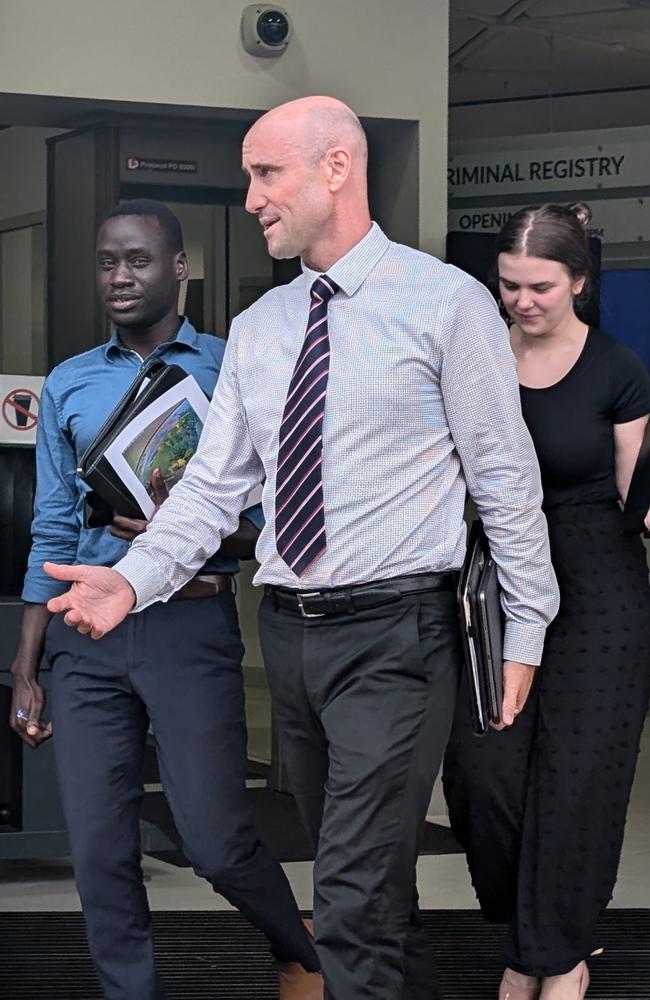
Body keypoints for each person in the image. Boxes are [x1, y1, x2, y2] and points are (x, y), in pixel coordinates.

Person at [43, 98, 559, 1000]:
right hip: (291, 635)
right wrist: (130, 584)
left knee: (349, 901)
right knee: (375, 893)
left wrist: (526, 629)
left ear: (336, 170)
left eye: (265, 173)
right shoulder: (265, 325)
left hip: (399, 638)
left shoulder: (445, 304)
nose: (249, 198)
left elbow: (507, 481)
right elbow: (212, 487)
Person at [9, 198, 319, 1000]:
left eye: (139, 260)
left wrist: (188, 531)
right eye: (108, 261)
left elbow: (279, 522)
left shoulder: (232, 364)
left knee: (216, 842)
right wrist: (26, 665)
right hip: (84, 633)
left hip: (190, 625)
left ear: (181, 268)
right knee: (100, 851)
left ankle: (304, 951)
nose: (120, 276)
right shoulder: (70, 382)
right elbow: (50, 531)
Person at [443, 203, 650, 1000]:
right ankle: (539, 934)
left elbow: (638, 498)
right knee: (482, 773)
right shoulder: (475, 358)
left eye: (540, 286)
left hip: (600, 591)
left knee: (578, 781)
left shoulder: (617, 369)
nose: (522, 300)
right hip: (495, 588)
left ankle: (551, 960)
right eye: (508, 284)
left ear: (579, 284)